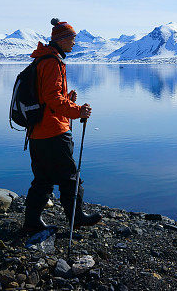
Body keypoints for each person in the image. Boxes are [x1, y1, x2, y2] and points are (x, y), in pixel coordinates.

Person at [23, 18, 102, 233]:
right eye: (73, 38)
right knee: (69, 176)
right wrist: (78, 111)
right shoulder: (52, 62)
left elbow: (49, 97)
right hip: (54, 131)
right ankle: (76, 218)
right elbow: (52, 100)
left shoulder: (43, 60)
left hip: (38, 131)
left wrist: (68, 99)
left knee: (43, 178)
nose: (75, 43)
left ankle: (31, 221)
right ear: (62, 39)